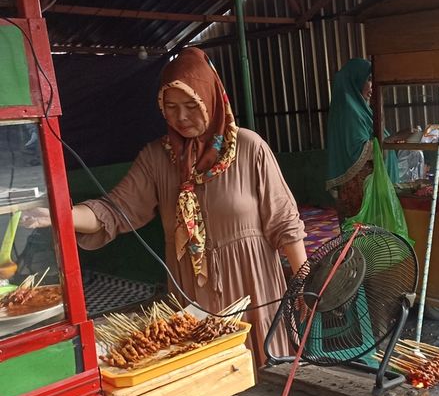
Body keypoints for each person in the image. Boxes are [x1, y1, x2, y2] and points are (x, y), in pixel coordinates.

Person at [22, 47, 306, 366]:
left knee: (266, 372)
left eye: (190, 105)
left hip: (252, 285)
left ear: (211, 99)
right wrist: (61, 216)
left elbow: (285, 223)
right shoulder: (157, 158)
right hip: (193, 294)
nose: (180, 117)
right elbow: (114, 210)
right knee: (207, 380)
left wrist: (303, 284)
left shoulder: (249, 147)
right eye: (170, 107)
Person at [324, 58, 398, 222]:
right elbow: (359, 150)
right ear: (355, 80)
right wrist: (390, 140)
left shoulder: (359, 108)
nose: (372, 86)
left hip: (365, 186)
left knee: (367, 237)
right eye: (369, 80)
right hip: (361, 188)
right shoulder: (349, 111)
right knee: (364, 233)